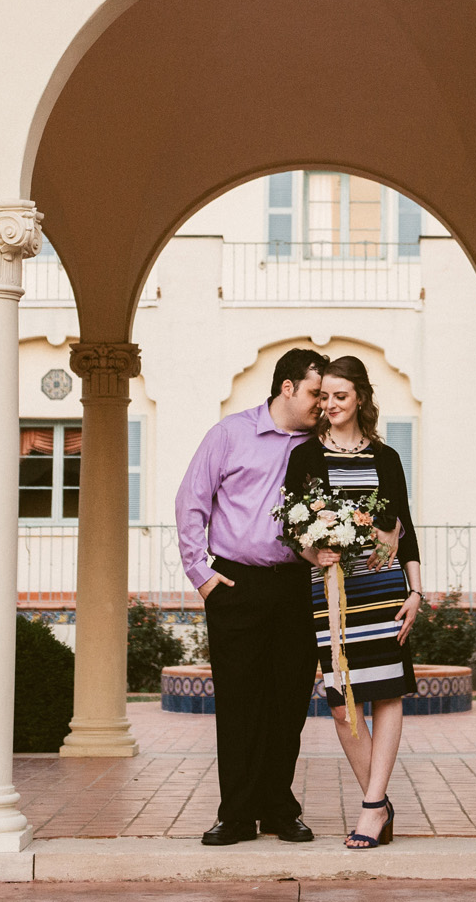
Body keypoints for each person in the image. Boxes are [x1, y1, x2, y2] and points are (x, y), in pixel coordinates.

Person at [174, 346, 328, 846]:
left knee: (287, 701)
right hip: (235, 584)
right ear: (287, 387)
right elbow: (190, 503)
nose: (320, 403)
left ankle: (278, 808)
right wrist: (203, 576)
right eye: (314, 393)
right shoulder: (230, 434)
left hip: (294, 586)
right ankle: (237, 813)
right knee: (240, 703)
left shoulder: (317, 444)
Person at [283, 355, 421, 850]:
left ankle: (370, 807)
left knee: (385, 693)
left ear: (360, 397)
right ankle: (380, 806)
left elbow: (405, 525)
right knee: (344, 703)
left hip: (383, 591)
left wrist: (416, 592)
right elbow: (289, 527)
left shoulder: (386, 457)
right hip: (331, 594)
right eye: (324, 397)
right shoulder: (305, 455)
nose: (330, 405)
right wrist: (311, 550)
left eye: (339, 396)